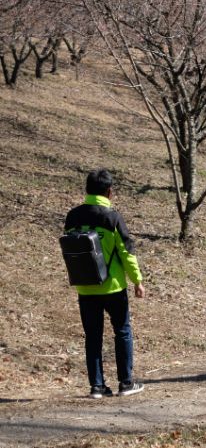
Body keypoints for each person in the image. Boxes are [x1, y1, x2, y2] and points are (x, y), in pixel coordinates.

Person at [65, 169, 146, 398]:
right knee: (122, 331)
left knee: (92, 335)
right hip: (113, 287)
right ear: (109, 192)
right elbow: (126, 253)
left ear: (86, 190)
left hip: (85, 285)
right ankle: (126, 383)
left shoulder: (72, 217)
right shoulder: (112, 218)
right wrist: (137, 280)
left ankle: (97, 387)